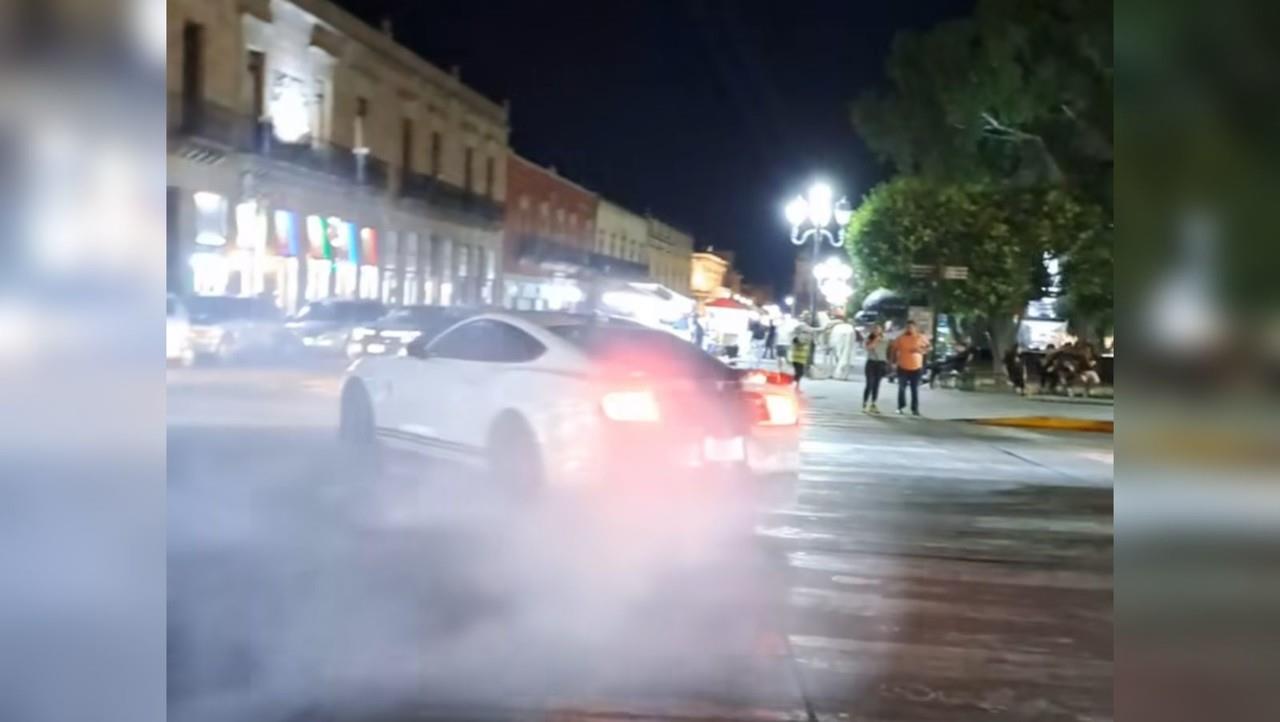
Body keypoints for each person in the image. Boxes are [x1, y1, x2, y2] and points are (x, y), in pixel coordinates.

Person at [889, 320, 929, 415]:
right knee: (901, 388)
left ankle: (915, 409)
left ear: (915, 328)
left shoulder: (920, 337)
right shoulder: (901, 338)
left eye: (911, 327)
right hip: (902, 366)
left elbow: (929, 348)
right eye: (907, 327)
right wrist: (892, 362)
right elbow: (893, 350)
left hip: (916, 367)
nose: (909, 329)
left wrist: (921, 350)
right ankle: (900, 406)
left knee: (914, 389)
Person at [862, 323, 890, 412]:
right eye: (874, 329)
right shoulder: (868, 338)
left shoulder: (886, 339)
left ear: (881, 330)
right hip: (871, 363)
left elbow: (891, 348)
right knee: (869, 384)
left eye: (878, 329)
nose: (876, 331)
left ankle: (873, 404)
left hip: (881, 363)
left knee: (876, 385)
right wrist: (876, 339)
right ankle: (865, 403)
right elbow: (869, 347)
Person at [789, 322, 813, 389]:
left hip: (801, 359)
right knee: (799, 373)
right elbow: (799, 342)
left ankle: (795, 385)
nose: (807, 334)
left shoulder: (804, 338)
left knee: (799, 373)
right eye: (805, 332)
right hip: (797, 359)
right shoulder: (797, 338)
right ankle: (794, 385)